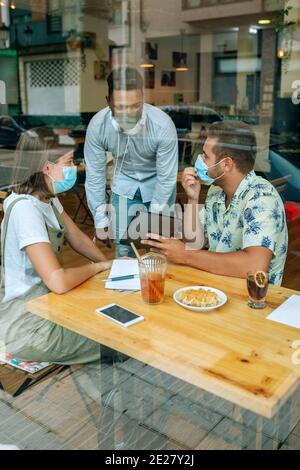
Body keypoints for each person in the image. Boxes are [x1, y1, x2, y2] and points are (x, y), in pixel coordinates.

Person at [0, 128, 112, 364]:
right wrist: (99, 268)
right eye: (69, 161)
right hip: (29, 327)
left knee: (109, 318)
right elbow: (58, 281)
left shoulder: (46, 198)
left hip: (46, 306)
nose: (74, 167)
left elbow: (78, 238)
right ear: (47, 167)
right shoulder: (25, 209)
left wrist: (108, 264)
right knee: (117, 339)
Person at [142, 121, 288, 286]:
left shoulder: (262, 197)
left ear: (226, 164)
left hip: (253, 300)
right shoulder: (216, 191)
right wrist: (192, 198)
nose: (200, 160)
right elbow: (193, 242)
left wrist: (185, 255)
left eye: (205, 155)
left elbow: (254, 266)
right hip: (216, 287)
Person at [84, 66, 178, 257]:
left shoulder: (162, 125)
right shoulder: (98, 126)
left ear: (143, 97)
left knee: (158, 251)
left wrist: (153, 221)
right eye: (121, 107)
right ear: (108, 102)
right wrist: (100, 221)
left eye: (136, 105)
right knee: (125, 252)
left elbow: (166, 178)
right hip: (124, 188)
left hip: (158, 188)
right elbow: (95, 175)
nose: (130, 114)